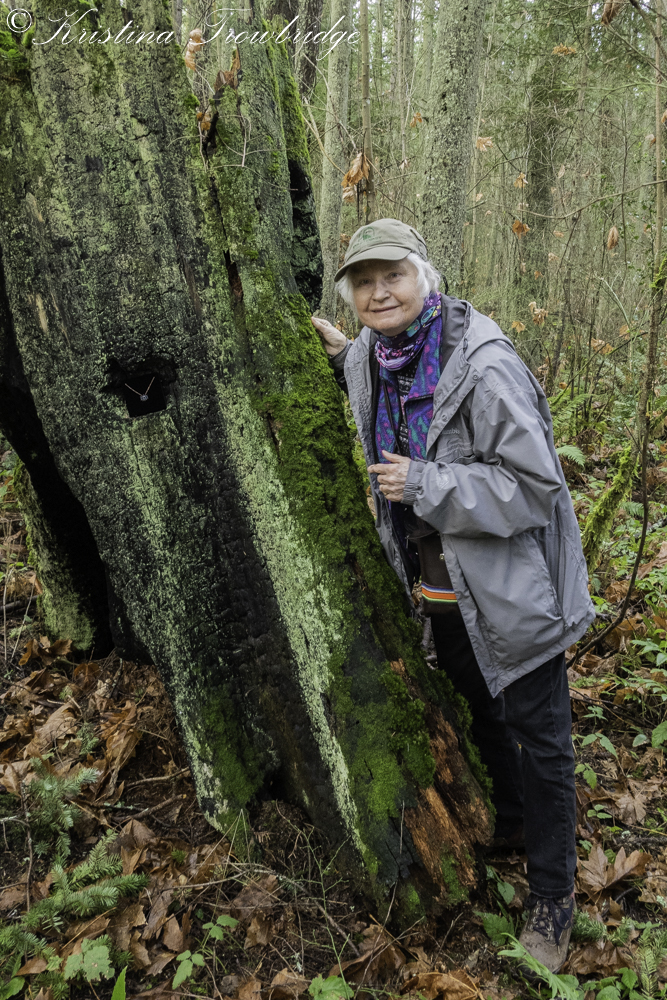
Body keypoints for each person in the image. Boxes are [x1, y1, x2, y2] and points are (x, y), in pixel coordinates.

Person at [311, 218, 595, 974]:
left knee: (541, 742)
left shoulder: (483, 365)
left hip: (514, 591)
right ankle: (509, 822)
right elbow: (364, 367)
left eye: (392, 276)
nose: (379, 293)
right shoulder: (376, 354)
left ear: (424, 278)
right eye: (363, 282)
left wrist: (426, 484)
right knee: (481, 710)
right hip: (441, 592)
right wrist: (337, 355)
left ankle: (553, 897)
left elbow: (534, 487)